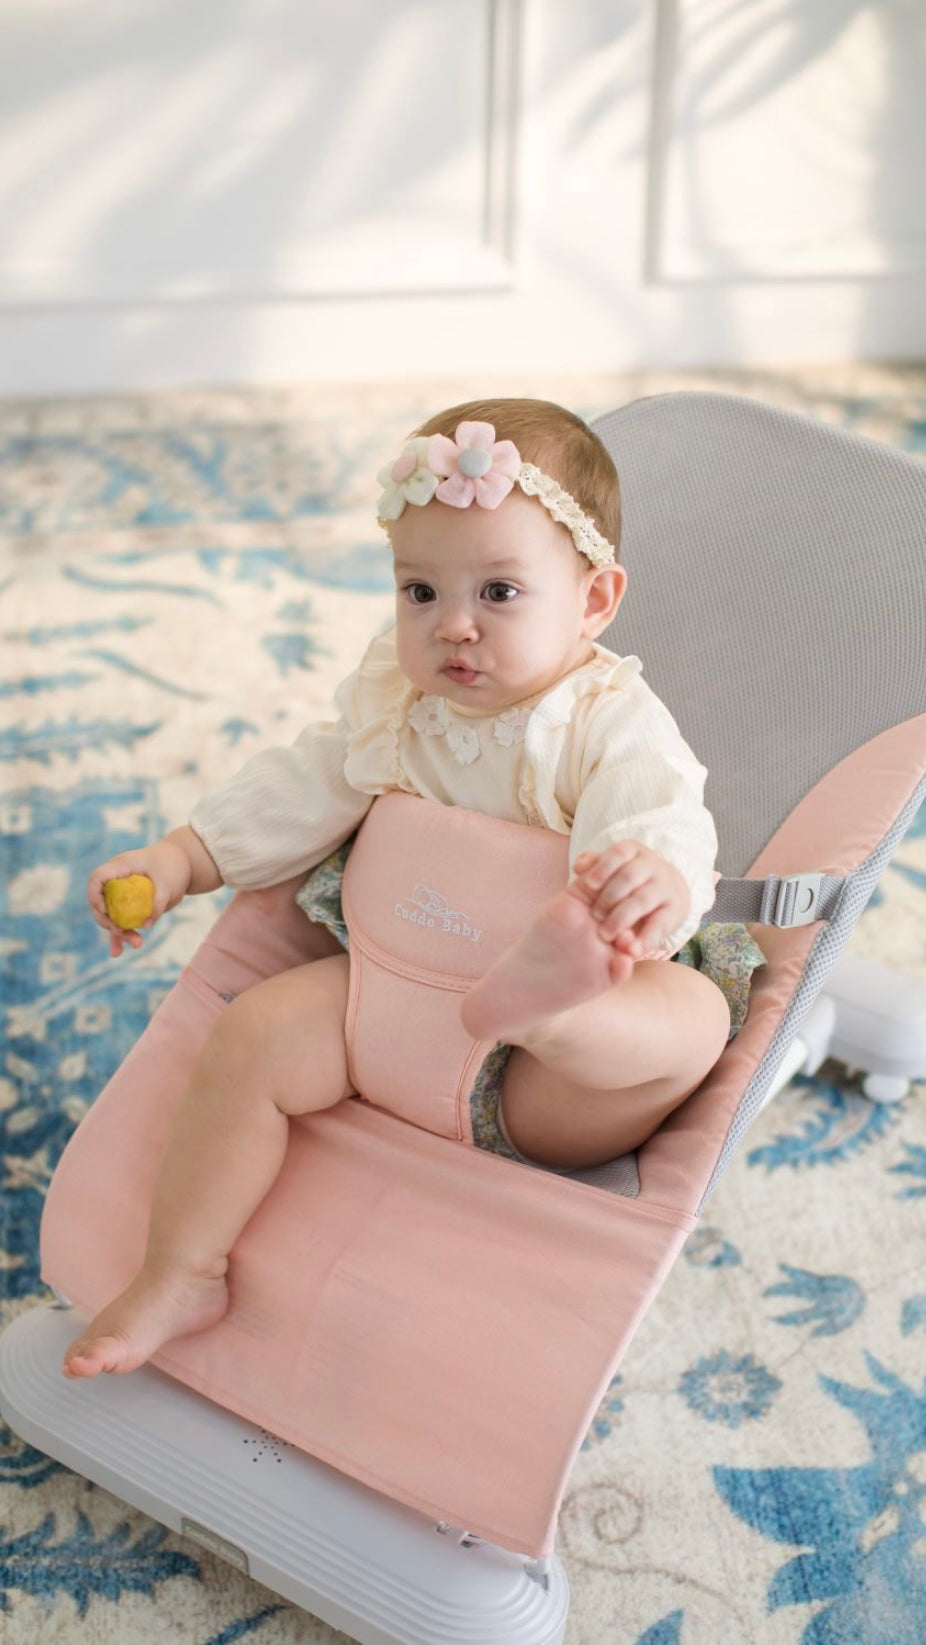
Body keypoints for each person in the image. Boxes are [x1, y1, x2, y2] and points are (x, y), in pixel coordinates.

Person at [62, 397, 748, 1381]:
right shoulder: (396, 703)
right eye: (418, 590)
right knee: (251, 1033)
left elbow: (660, 812)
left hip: (534, 1084)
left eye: (499, 592)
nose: (452, 626)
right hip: (379, 1005)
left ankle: (552, 1003)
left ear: (592, 602)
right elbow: (300, 784)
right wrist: (182, 857)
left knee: (685, 1021)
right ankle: (181, 1268)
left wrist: (648, 876)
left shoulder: (603, 719)